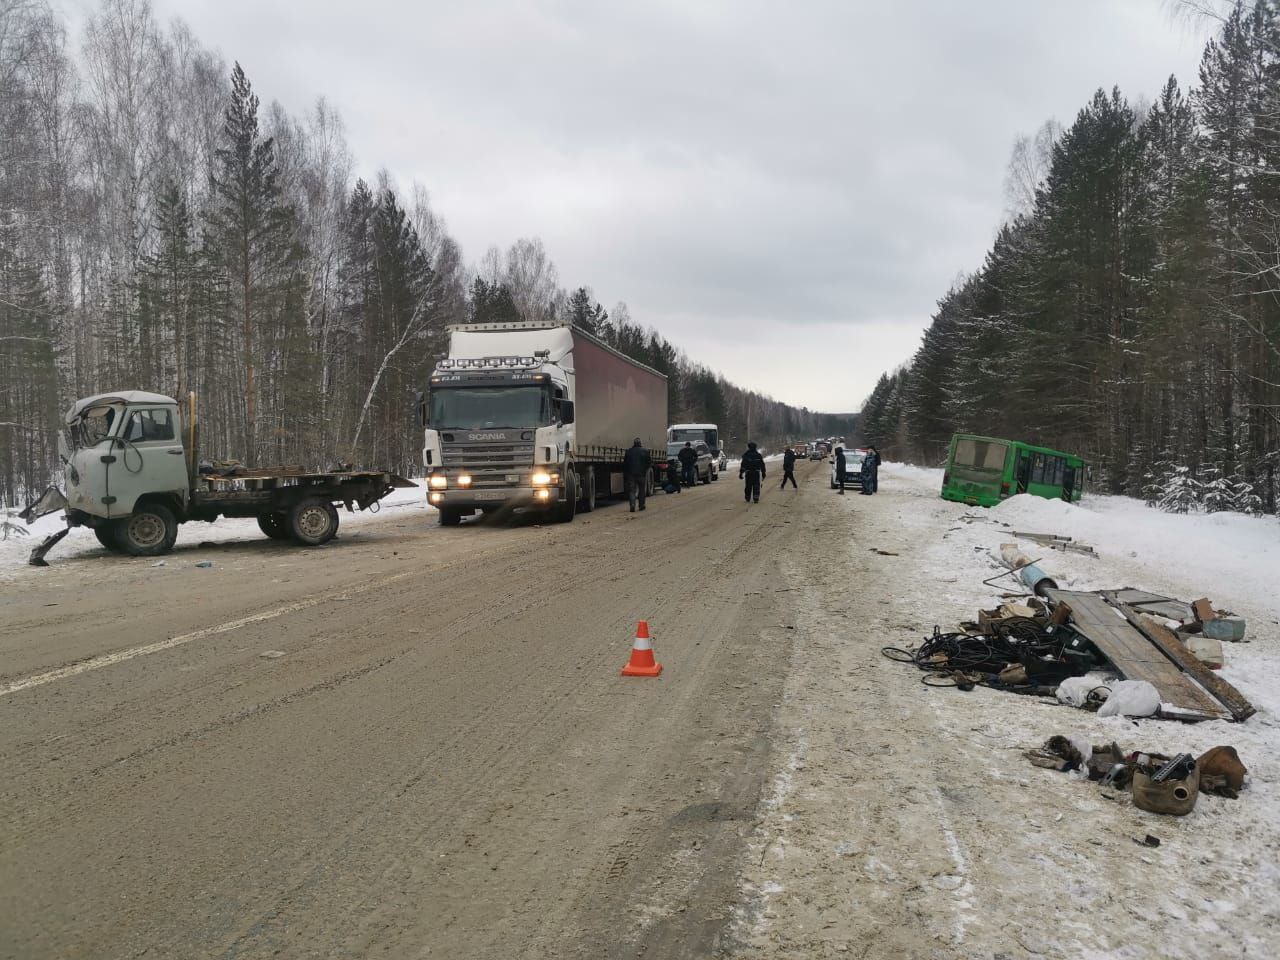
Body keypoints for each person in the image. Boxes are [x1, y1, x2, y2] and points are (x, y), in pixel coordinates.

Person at [623, 438, 650, 512]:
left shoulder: (628, 452)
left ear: (634, 443)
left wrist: (627, 472)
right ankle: (641, 505)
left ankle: (632, 504)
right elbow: (648, 463)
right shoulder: (645, 451)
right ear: (640, 443)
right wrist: (644, 470)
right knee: (641, 490)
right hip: (641, 474)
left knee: (632, 490)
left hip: (631, 474)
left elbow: (625, 463)